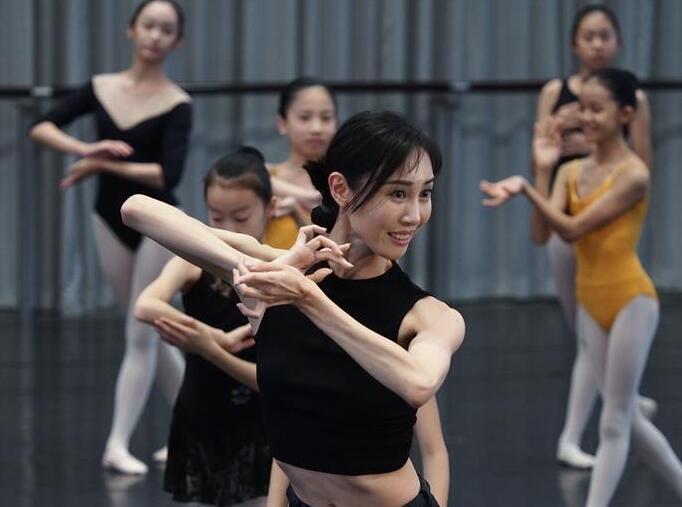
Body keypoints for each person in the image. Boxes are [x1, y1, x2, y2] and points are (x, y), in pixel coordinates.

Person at [120, 110, 464, 506]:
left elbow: (418, 383)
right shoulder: (281, 276)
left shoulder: (428, 315)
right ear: (340, 189)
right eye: (398, 194)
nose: (415, 215)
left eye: (425, 194)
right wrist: (256, 270)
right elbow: (137, 210)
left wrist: (308, 298)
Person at [481, 68, 682, 506]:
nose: (586, 118)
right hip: (591, 301)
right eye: (582, 109)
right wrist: (542, 170)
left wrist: (525, 188)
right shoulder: (571, 173)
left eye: (597, 109)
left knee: (613, 421)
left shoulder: (633, 174)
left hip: (631, 300)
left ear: (625, 114)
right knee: (627, 420)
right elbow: (541, 234)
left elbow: (572, 229)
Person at [29, 0, 192, 474]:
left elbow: (167, 174)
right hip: (108, 218)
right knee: (151, 330)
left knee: (140, 330)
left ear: (177, 41)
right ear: (131, 30)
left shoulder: (177, 103)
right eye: (149, 25)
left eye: (167, 29)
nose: (156, 36)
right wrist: (86, 148)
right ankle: (195, 429)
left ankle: (117, 444)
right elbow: (41, 126)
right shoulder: (101, 87)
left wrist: (103, 164)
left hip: (158, 222)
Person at [533, 4, 653, 469]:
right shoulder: (555, 92)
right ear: (574, 44)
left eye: (606, 35)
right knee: (585, 330)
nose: (598, 44)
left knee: (596, 329)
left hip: (605, 219)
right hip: (564, 209)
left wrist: (591, 145)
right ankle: (618, 403)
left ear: (618, 42)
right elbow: (542, 149)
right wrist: (544, 173)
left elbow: (640, 163)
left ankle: (597, 419)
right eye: (589, 36)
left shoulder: (633, 99)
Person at [135, 148, 275, 506]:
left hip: (262, 418)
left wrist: (211, 349)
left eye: (241, 218)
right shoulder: (192, 263)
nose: (228, 230)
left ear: (269, 209)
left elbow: (272, 382)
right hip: (203, 412)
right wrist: (213, 336)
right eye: (216, 217)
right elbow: (146, 305)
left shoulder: (278, 272)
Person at [263, 77, 338, 249]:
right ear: (282, 123)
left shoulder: (344, 184)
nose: (316, 128)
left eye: (326, 118)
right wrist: (304, 196)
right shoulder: (266, 175)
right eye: (304, 117)